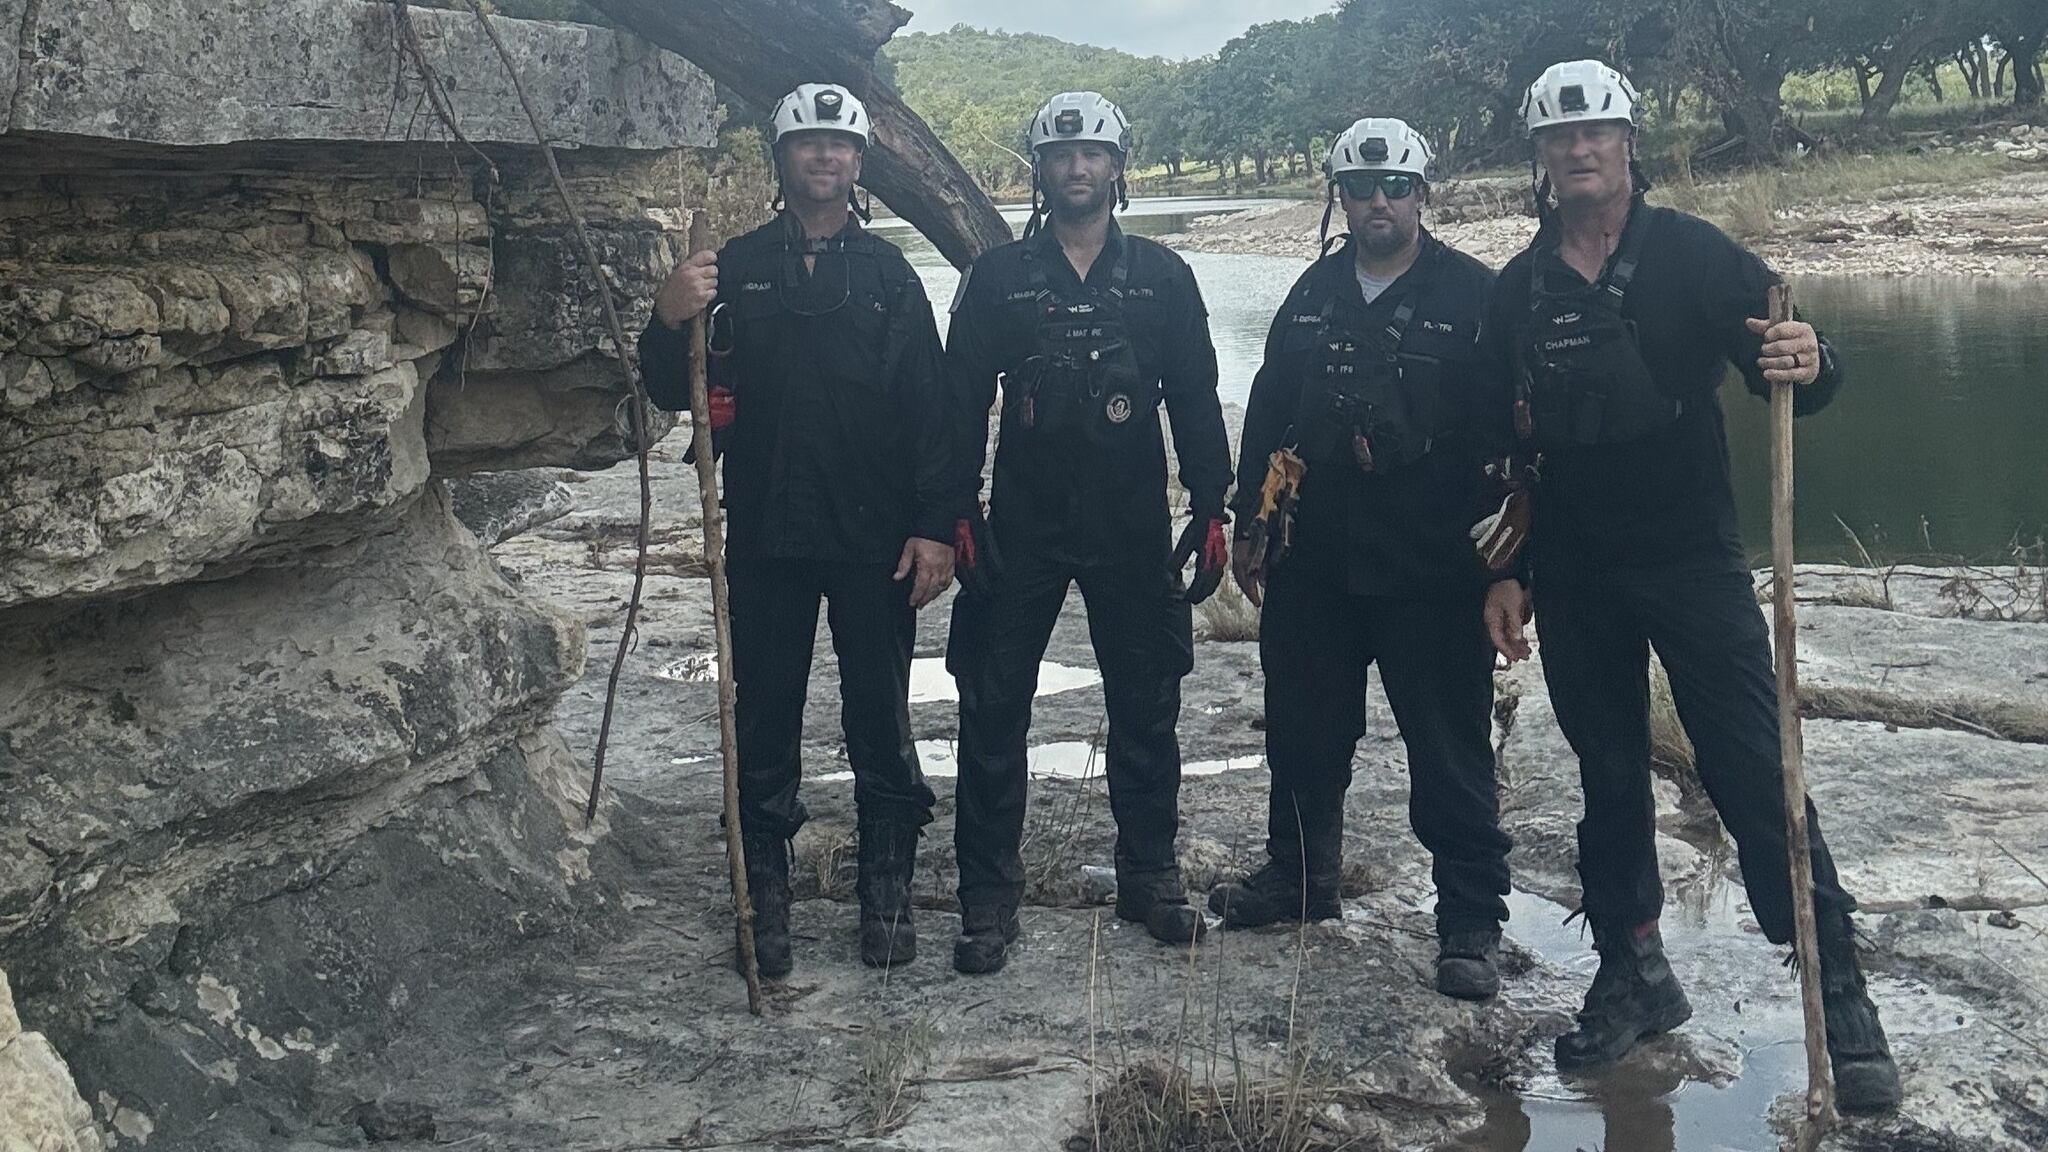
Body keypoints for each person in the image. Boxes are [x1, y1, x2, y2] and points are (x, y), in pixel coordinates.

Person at [1479, 60, 1899, 1110]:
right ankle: (1632, 971)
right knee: (1608, 776)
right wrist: (1504, 575)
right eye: (1559, 136)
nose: (1579, 150)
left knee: (1752, 767)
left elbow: (1790, 367)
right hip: (1573, 567)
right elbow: (1501, 451)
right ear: (1536, 156)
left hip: (1689, 559)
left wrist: (1814, 361)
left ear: (1627, 143)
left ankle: (1834, 983)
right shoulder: (1515, 290)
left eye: (1598, 133)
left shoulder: (1694, 256)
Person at [637, 82, 964, 978]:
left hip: (873, 533)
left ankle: (887, 884)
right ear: (782, 159)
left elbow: (931, 414)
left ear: (860, 164)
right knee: (766, 714)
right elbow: (675, 390)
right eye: (808, 144)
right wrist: (668, 318)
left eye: (841, 146)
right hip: (768, 531)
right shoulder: (729, 269)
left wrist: (936, 529)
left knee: (879, 715)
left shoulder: (892, 279)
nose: (825, 158)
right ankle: (763, 891)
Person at [1209, 118, 1511, 1001]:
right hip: (1316, 562)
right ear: (1337, 197)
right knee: (1305, 734)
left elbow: (1506, 442)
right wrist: (1251, 523)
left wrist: (1508, 566)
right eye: (1360, 187)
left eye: (1396, 186)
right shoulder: (1310, 294)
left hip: (1432, 567)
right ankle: (1301, 878)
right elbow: (1268, 414)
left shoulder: (1475, 297)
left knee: (1448, 747)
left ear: (1424, 192)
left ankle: (1468, 921)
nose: (1378, 201)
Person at [943, 91, 1234, 974]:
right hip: (1022, 527)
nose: (1078, 169)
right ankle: (989, 898)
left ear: (1118, 167)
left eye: (1095, 155)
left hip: (1131, 524)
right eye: (1062, 156)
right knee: (993, 706)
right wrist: (954, 506)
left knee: (1147, 706)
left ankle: (1150, 877)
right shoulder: (997, 277)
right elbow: (958, 402)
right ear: (1041, 171)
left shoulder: (1163, 275)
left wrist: (1213, 504)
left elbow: (1193, 393)